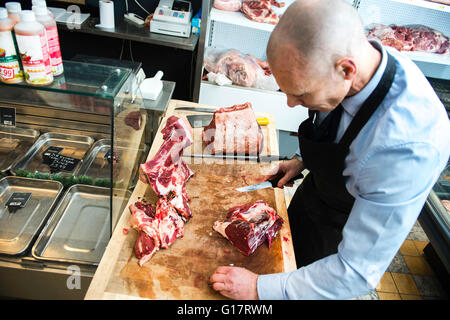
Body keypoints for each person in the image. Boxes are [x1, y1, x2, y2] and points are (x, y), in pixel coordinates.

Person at [209, 0, 450, 300]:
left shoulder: (405, 148)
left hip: (336, 249)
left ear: (346, 70)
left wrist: (259, 289)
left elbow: (355, 272)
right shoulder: (357, 62)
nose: (291, 105)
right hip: (312, 203)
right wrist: (302, 160)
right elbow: (337, 129)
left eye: (301, 95)